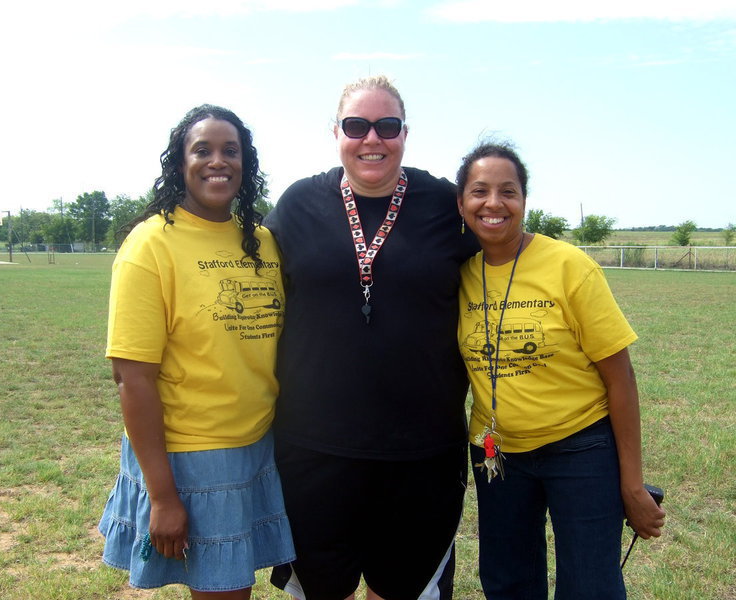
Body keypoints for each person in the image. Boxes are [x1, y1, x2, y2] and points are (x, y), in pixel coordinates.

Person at [265, 76, 480, 600]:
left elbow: (507, 268)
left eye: (387, 126)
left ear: (405, 132)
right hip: (313, 450)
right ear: (335, 131)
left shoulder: (446, 207)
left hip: (422, 455)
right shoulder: (297, 206)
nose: (372, 140)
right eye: (357, 126)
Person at [98, 104, 295, 599]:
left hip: (257, 445)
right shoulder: (150, 246)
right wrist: (163, 496)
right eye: (201, 150)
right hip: (191, 456)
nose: (217, 161)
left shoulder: (264, 242)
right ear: (179, 162)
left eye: (231, 151)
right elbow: (132, 377)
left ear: (245, 164)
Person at [455, 141, 666, 599]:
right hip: (497, 455)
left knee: (590, 586)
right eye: (480, 191)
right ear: (461, 203)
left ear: (524, 201)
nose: (493, 203)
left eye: (508, 191)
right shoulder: (460, 274)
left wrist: (631, 484)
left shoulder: (570, 266)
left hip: (581, 449)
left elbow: (621, 380)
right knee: (508, 583)